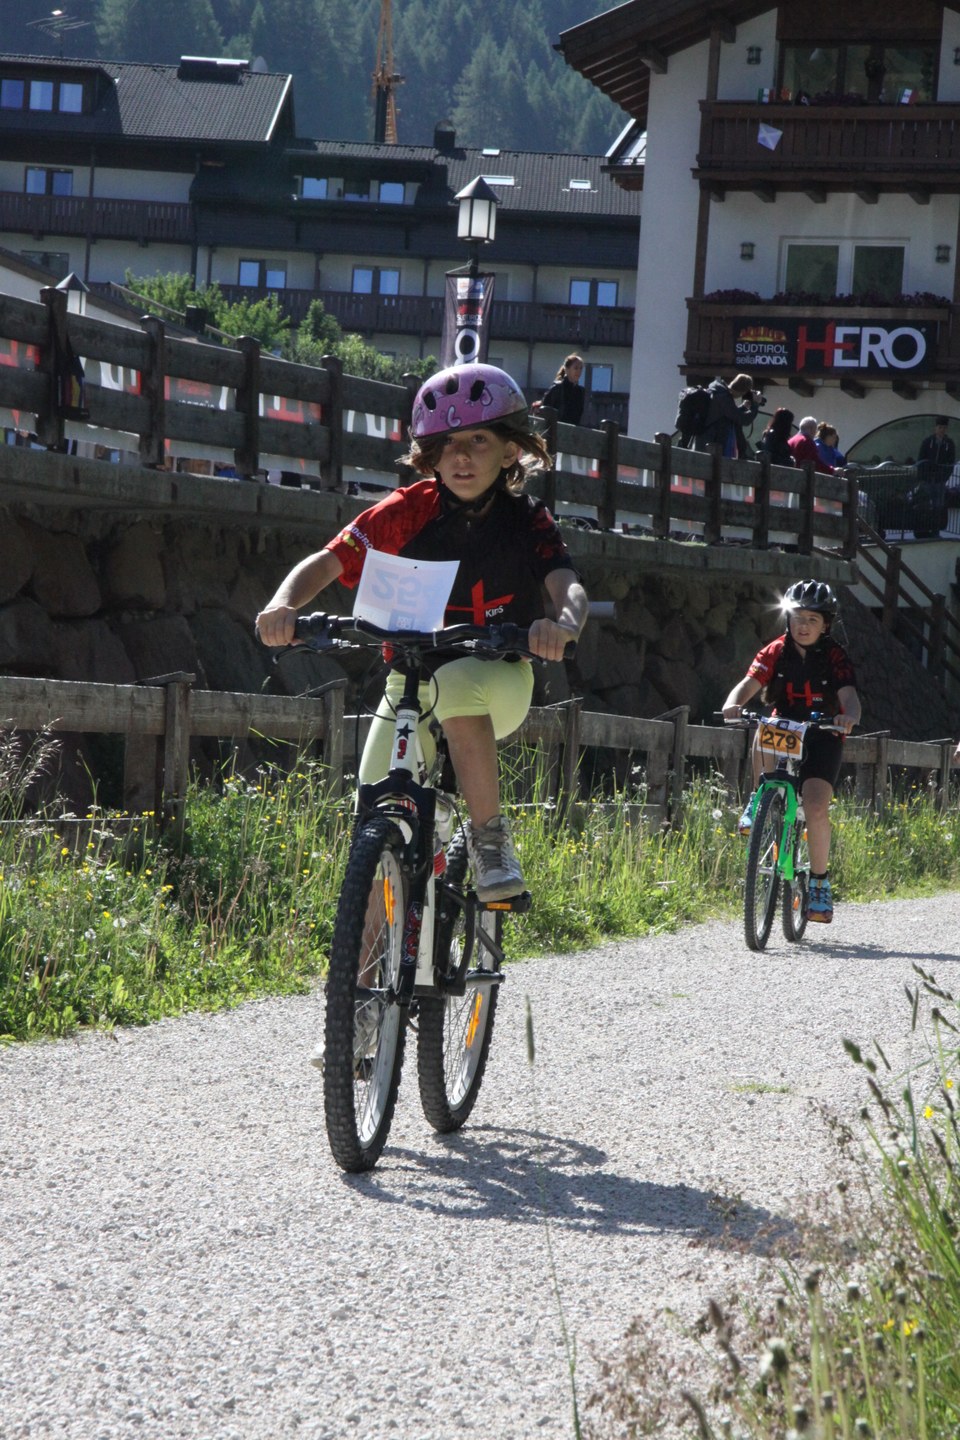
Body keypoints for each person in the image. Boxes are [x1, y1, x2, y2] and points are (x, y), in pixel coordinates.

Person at [256, 362, 589, 907]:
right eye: (447, 443)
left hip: (498, 677)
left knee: (456, 685)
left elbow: (566, 586)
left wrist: (563, 626)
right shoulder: (406, 511)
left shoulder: (529, 520)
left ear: (510, 451)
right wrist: (282, 605)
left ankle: (490, 843)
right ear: (430, 454)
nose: (461, 456)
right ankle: (367, 961)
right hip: (410, 679)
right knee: (372, 818)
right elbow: (328, 560)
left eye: (479, 440)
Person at [721, 579, 861, 924]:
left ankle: (819, 883)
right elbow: (750, 683)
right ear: (788, 619)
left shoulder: (835, 656)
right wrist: (732, 703)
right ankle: (759, 798)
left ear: (825, 625)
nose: (803, 625)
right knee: (763, 727)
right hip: (785, 724)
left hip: (823, 731)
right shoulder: (776, 650)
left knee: (815, 806)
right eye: (797, 617)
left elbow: (849, 695)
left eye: (812, 619)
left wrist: (849, 717)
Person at [693, 373, 760, 458]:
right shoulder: (723, 397)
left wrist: (743, 407)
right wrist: (755, 405)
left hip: (706, 443)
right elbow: (744, 420)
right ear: (741, 391)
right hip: (710, 446)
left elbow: (728, 415)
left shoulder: (719, 391)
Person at [535, 354, 585, 425]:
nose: (579, 371)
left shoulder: (580, 392)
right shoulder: (557, 388)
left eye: (581, 368)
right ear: (567, 369)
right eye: (576, 368)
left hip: (572, 429)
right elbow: (545, 411)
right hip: (554, 428)